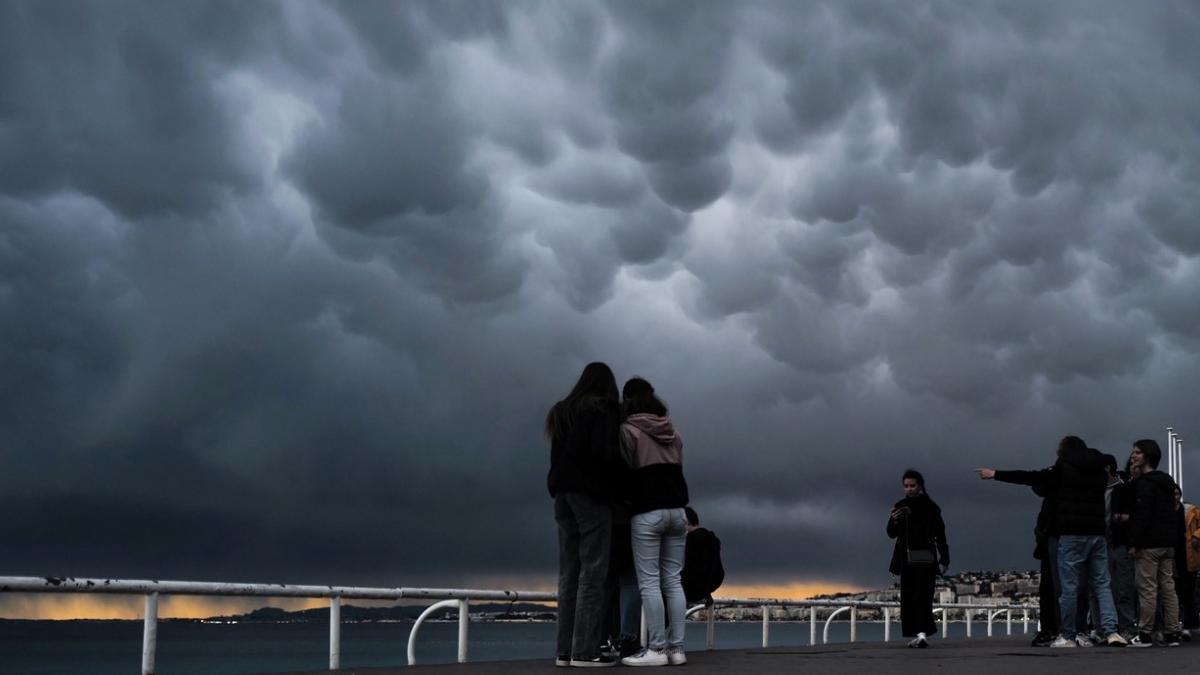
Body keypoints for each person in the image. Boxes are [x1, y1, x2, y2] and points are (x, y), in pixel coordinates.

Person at [977, 436, 1128, 648]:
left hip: (1070, 533)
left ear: (1063, 452)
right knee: (1102, 585)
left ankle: (1067, 636)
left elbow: (1032, 477)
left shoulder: (1062, 470)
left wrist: (996, 474)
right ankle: (1112, 631)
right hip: (1096, 534)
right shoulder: (1099, 471)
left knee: (1068, 588)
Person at [546, 362, 622, 667]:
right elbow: (605, 456)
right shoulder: (601, 410)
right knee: (594, 572)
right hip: (590, 496)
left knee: (569, 573)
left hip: (561, 494)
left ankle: (564, 651)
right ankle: (585, 651)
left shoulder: (561, 412)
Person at [617, 377, 690, 667]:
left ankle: (657, 649)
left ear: (628, 399)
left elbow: (625, 472)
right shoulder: (673, 432)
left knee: (649, 582)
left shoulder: (628, 431)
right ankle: (677, 648)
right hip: (678, 511)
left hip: (647, 511)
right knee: (673, 580)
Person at [1127, 439, 1182, 648]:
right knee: (1168, 588)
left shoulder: (1145, 484)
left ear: (1147, 456)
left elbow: (1142, 515)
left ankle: (1145, 634)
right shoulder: (1167, 481)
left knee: (1147, 588)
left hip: (1149, 544)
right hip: (1168, 543)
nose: (1133, 456)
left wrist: (1134, 542)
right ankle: (1172, 633)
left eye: (1137, 453)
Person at [887, 469, 949, 648]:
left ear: (920, 486)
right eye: (906, 486)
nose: (909, 489)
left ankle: (921, 634)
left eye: (912, 486)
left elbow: (941, 535)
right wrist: (894, 520)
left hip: (926, 560)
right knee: (909, 597)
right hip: (907, 560)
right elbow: (891, 533)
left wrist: (945, 558)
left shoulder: (931, 507)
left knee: (922, 596)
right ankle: (919, 634)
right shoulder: (899, 506)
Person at [682, 506, 724, 605]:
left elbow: (689, 568)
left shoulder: (690, 539)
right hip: (711, 585)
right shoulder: (713, 539)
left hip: (693, 588)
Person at [1172, 487, 1198, 635]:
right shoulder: (1165, 511)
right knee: (1177, 592)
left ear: (1180, 495)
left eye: (1176, 494)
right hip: (1173, 556)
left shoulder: (1190, 510)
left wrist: (1197, 536)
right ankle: (1184, 623)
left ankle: (1189, 624)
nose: (1174, 497)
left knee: (1188, 591)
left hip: (1188, 556)